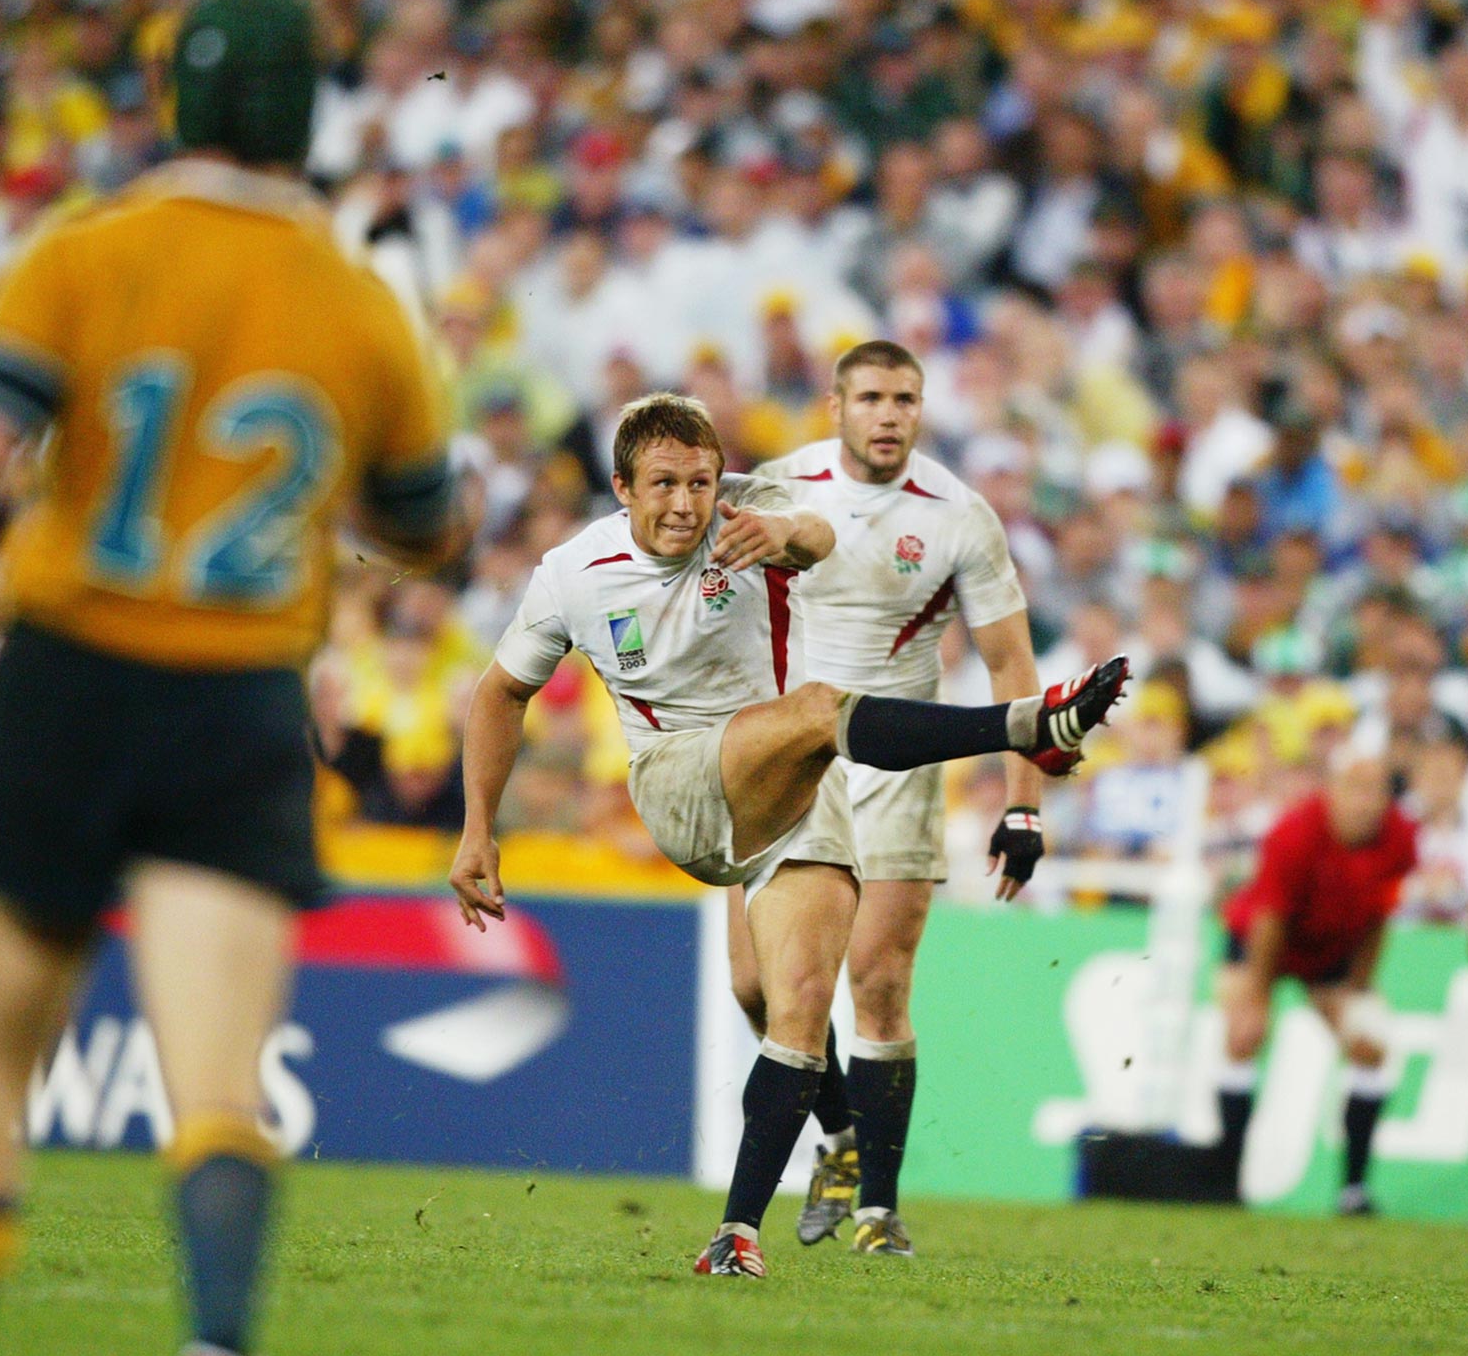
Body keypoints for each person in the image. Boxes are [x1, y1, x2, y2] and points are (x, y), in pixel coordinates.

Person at [0, 0, 457, 1356]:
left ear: (176, 98)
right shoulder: (357, 304)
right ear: (311, 115)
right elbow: (425, 526)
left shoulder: (83, 255)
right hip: (235, 699)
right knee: (219, 1078)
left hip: (62, 681)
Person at [448, 393, 1125, 1278]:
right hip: (681, 783)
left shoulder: (749, 519)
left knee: (789, 1003)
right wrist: (476, 833)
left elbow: (817, 538)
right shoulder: (573, 571)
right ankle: (1028, 724)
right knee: (814, 711)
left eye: (699, 481)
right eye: (663, 485)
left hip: (793, 789)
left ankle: (743, 1229)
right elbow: (501, 693)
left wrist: (788, 539)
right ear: (621, 487)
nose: (687, 504)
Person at [734, 339, 1048, 1257]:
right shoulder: (779, 487)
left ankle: (879, 1209)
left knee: (876, 981)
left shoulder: (960, 515)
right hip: (786, 753)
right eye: (870, 396)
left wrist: (1022, 803)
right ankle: (836, 1137)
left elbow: (1011, 664)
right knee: (757, 986)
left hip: (897, 761)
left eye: (904, 399)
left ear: (922, 409)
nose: (888, 414)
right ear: (835, 405)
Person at [1212, 743, 1418, 1216]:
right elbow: (1269, 918)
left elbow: (1381, 914)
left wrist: (1360, 985)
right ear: (1333, 792)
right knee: (1243, 1038)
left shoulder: (1400, 836)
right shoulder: (1294, 832)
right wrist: (1257, 998)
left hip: (1331, 949)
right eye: (1356, 789)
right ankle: (1227, 1183)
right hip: (1262, 941)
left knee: (1370, 1046)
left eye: (1376, 791)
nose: (1366, 802)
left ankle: (1354, 1190)